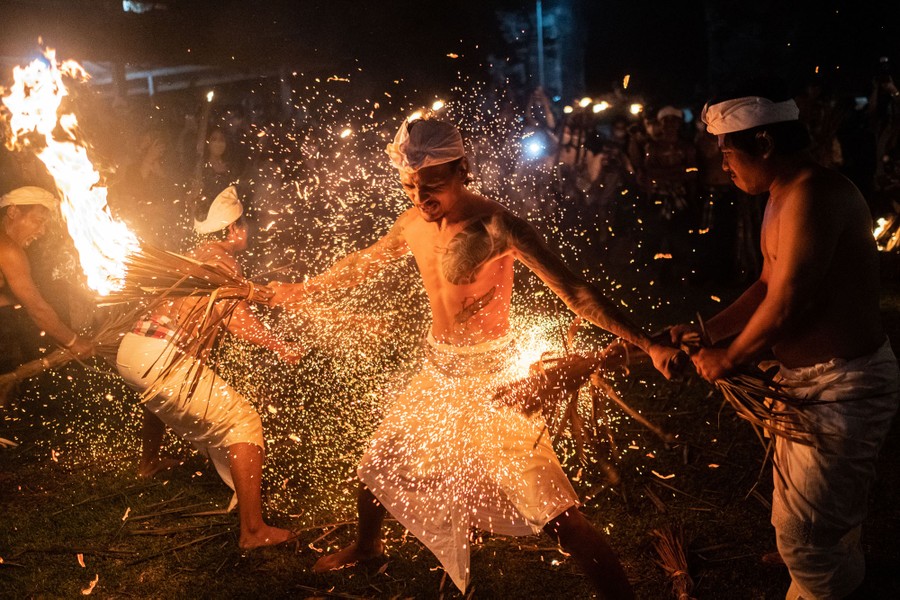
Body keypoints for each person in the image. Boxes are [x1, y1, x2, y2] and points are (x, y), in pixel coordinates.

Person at [273, 118, 684, 597]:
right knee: (378, 463)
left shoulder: (497, 226)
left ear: (463, 169)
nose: (420, 197)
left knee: (557, 515)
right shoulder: (410, 223)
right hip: (438, 371)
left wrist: (648, 343)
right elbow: (364, 262)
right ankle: (368, 547)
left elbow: (575, 290)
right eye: (410, 186)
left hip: (496, 384)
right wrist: (302, 290)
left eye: (433, 185)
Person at [671, 88, 900, 599]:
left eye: (727, 153)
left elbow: (790, 301)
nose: (722, 165)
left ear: (766, 143)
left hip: (844, 384)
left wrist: (729, 358)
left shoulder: (815, 194)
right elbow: (765, 285)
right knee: (803, 521)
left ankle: (823, 573)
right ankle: (832, 566)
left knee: (804, 538)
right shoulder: (782, 194)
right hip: (805, 386)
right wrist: (709, 333)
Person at [115, 185, 304, 549]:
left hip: (132, 350)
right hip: (158, 355)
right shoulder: (222, 263)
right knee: (243, 418)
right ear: (233, 230)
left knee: (157, 395)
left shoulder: (192, 256)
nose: (247, 231)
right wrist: (280, 345)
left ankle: (148, 463)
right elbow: (234, 319)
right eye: (245, 224)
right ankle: (253, 530)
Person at [0, 186, 93, 377]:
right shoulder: (8, 250)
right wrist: (73, 341)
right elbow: (37, 309)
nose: (41, 231)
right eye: (38, 221)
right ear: (13, 212)